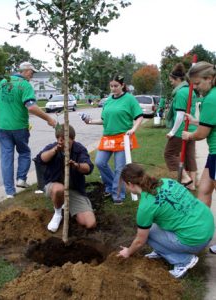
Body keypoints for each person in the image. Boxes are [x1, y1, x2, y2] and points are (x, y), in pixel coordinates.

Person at [117, 163, 214, 278]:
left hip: (196, 240)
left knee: (147, 235)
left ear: (130, 184)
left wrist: (128, 252)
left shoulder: (146, 206)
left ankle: (184, 261)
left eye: (125, 185)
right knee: (152, 225)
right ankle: (162, 250)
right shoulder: (166, 181)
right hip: (208, 225)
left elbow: (139, 241)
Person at [0, 61, 56, 199]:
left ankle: (9, 192)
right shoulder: (25, 85)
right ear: (26, 71)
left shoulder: (4, 81)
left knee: (6, 157)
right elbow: (32, 107)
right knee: (24, 152)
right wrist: (49, 119)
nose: (32, 75)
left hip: (1, 126)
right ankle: (21, 179)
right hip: (19, 126)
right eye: (32, 72)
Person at [82, 75, 143, 204]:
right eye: (111, 86)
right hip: (108, 137)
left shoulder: (129, 99)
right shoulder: (108, 100)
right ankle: (111, 186)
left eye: (116, 86)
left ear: (122, 85)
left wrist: (133, 129)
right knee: (100, 162)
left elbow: (139, 117)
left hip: (123, 137)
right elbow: (104, 120)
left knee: (119, 168)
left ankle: (118, 195)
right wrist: (90, 121)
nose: (113, 88)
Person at [182, 61, 216, 254]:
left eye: (197, 84)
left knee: (205, 190)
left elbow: (202, 134)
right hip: (214, 153)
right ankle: (201, 230)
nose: (194, 88)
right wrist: (196, 121)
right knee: (203, 190)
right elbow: (210, 123)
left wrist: (190, 134)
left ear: (209, 78)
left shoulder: (212, 98)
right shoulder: (212, 96)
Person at [37, 124, 96, 233]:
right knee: (59, 189)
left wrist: (77, 165)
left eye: (67, 140)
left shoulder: (79, 149)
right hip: (54, 185)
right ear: (57, 139)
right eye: (61, 140)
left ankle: (69, 207)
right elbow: (41, 158)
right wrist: (55, 150)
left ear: (73, 139)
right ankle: (58, 213)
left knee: (90, 223)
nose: (64, 143)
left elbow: (88, 168)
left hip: (74, 189)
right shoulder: (53, 147)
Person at [164, 63, 197, 190]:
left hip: (181, 129)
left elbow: (180, 115)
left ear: (178, 79)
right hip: (191, 129)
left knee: (169, 154)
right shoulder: (189, 89)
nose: (171, 82)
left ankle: (186, 179)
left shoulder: (181, 93)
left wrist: (172, 132)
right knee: (190, 156)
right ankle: (192, 184)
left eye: (171, 80)